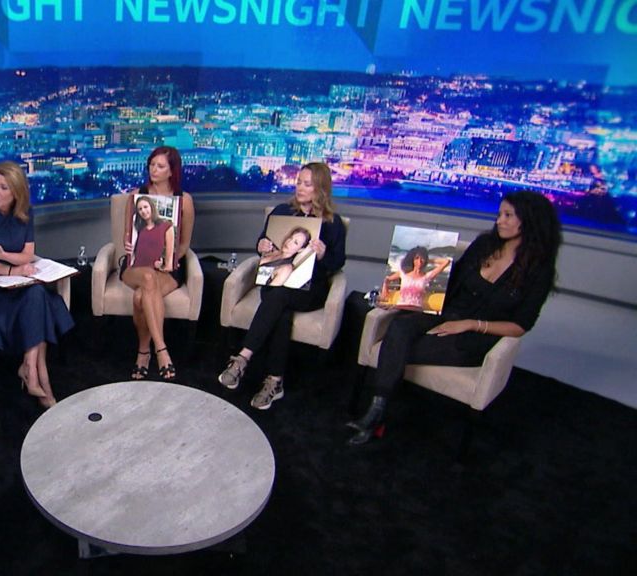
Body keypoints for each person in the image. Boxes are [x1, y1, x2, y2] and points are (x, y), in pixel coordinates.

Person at [346, 190, 562, 445]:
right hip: (448, 312)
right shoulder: (485, 245)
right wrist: (401, 295)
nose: (499, 221)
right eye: (499, 214)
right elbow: (447, 280)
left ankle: (375, 417)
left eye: (508, 215)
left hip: (474, 335)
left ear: (529, 220)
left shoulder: (539, 271)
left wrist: (470, 324)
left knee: (396, 345)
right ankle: (377, 412)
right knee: (400, 328)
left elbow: (520, 326)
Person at [218, 162, 347, 409]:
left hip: (310, 290)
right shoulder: (281, 211)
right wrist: (262, 246)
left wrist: (323, 254)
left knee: (279, 297)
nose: (300, 188)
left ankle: (243, 358)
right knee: (281, 305)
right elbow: (262, 243)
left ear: (320, 188)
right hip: (276, 282)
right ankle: (275, 382)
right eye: (299, 182)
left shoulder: (333, 223)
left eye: (307, 184)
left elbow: (337, 263)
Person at [0, 161, 74, 409]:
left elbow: (27, 255)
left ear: (16, 191)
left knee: (37, 294)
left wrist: (5, 256)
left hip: (15, 280)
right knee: (39, 300)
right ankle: (40, 380)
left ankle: (31, 368)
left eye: (3, 187)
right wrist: (10, 269)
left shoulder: (25, 213)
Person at [122, 146, 195, 381]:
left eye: (160, 166)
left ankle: (143, 352)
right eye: (152, 165)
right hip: (136, 266)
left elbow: (184, 244)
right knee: (147, 276)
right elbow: (127, 236)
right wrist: (128, 245)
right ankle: (162, 350)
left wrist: (168, 260)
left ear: (172, 171)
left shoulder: (184, 201)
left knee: (140, 297)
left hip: (168, 267)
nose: (154, 169)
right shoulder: (136, 196)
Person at [380, 246, 451, 310]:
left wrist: (427, 260)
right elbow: (387, 279)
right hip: (400, 307)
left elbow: (446, 261)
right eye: (417, 258)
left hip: (416, 309)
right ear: (412, 260)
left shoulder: (427, 276)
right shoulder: (403, 273)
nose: (419, 261)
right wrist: (385, 288)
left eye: (422, 259)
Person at [130, 195, 175, 272]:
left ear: (151, 207)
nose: (143, 211)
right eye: (140, 209)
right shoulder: (138, 228)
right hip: (136, 269)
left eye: (145, 207)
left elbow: (169, 263)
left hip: (154, 270)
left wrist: (162, 264)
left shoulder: (166, 226)